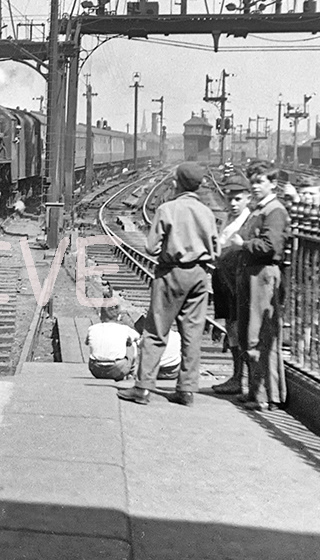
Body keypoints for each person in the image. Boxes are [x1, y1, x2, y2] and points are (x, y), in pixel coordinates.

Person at [118, 162, 218, 407]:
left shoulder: (167, 209)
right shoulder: (207, 212)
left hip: (172, 273)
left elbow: (151, 248)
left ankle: (143, 388)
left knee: (156, 331)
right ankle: (186, 391)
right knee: (192, 334)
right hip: (199, 275)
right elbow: (216, 249)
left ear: (177, 183)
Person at [226, 161, 290, 410]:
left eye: (260, 181)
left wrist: (243, 245)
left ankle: (264, 396)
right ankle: (255, 391)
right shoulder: (260, 208)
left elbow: (271, 246)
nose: (254, 186)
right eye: (252, 182)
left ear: (273, 183)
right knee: (247, 333)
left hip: (262, 275)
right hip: (251, 273)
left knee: (258, 335)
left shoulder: (274, 210)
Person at [210, 176, 252, 395]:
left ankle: (243, 379)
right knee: (230, 326)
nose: (233, 203)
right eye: (230, 199)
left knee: (239, 327)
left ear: (248, 199)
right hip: (224, 277)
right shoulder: (227, 218)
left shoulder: (249, 221)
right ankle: (236, 377)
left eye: (238, 199)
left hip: (237, 280)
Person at [85, 306, 140, 381]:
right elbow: (137, 337)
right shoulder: (124, 329)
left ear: (100, 315)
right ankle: (131, 372)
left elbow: (87, 342)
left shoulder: (92, 328)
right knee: (132, 342)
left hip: (96, 369)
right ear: (119, 317)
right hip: (119, 368)